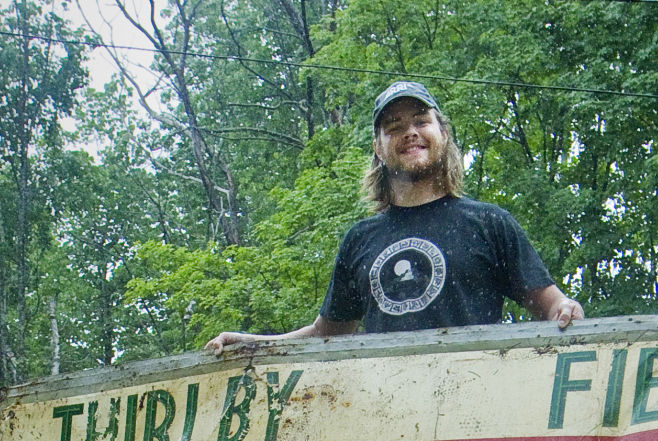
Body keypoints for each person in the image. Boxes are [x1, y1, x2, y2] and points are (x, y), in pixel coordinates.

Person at [205, 80, 583, 356]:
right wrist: (250, 343)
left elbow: (552, 306)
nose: (410, 133)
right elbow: (326, 335)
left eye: (421, 121)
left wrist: (566, 310)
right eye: (394, 127)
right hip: (387, 427)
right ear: (378, 148)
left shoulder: (489, 224)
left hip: (472, 420)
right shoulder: (360, 239)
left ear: (443, 134)